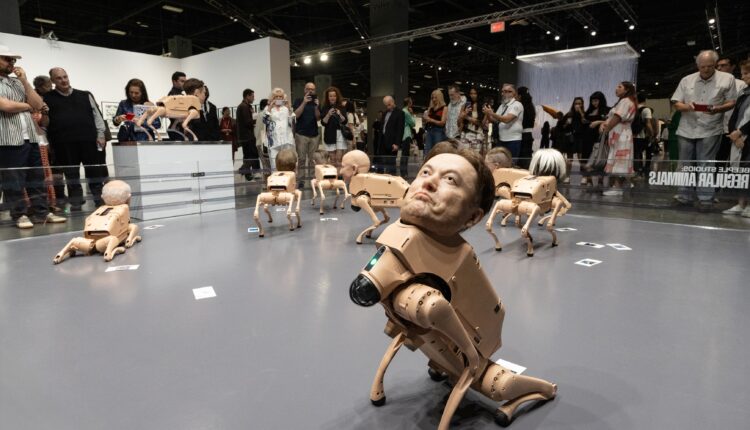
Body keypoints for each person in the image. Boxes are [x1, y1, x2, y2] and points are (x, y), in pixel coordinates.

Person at [0, 45, 66, 228]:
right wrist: (27, 106)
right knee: (13, 181)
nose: (11, 63)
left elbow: (38, 104)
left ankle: (42, 212)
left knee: (37, 179)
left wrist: (25, 81)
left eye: (13, 60)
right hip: (8, 139)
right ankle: (19, 215)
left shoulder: (17, 82)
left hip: (31, 137)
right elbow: (5, 106)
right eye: (7, 59)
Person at [671, 50, 738, 210]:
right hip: (687, 128)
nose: (706, 69)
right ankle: (684, 196)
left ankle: (706, 199)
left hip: (711, 128)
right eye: (702, 67)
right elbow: (676, 102)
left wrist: (718, 108)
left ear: (715, 64)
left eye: (710, 66)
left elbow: (732, 102)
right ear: (697, 65)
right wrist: (686, 107)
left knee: (706, 165)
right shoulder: (687, 80)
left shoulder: (727, 79)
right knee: (685, 165)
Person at [43, 67, 109, 210]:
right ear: (53, 81)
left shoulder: (85, 95)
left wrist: (101, 134)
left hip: (88, 140)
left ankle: (100, 202)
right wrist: (46, 141)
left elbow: (97, 116)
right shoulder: (47, 98)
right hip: (63, 143)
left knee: (94, 173)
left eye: (65, 76)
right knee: (71, 176)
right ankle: (76, 204)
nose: (63, 80)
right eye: (59, 78)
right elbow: (44, 122)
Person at [722, 59, 750, 217]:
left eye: (746, 73)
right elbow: (734, 116)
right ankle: (741, 203)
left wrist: (740, 132)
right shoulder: (743, 93)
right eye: (743, 73)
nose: (743, 76)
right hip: (738, 138)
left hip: (746, 136)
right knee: (739, 172)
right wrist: (734, 133)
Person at [599, 81, 637, 196]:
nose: (616, 89)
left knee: (620, 159)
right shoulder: (623, 101)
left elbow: (617, 117)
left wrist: (607, 129)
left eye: (620, 87)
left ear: (626, 90)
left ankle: (617, 187)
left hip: (621, 134)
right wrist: (604, 124)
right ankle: (619, 185)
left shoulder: (625, 101)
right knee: (618, 158)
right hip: (619, 134)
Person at [716, 56, 748, 163]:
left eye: (723, 65)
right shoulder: (713, 84)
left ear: (733, 67)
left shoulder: (741, 85)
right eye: (718, 66)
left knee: (737, 161)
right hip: (718, 129)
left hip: (737, 130)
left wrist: (739, 131)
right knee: (718, 160)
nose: (719, 68)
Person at [484, 84, 524, 160]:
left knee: (511, 163)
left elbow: (507, 119)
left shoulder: (517, 105)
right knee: (499, 161)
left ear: (513, 93)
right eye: (503, 92)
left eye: (506, 91)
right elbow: (494, 120)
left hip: (513, 140)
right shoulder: (502, 105)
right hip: (501, 139)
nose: (503, 94)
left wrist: (492, 113)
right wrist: (488, 114)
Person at [262, 88, 296, 170]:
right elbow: (265, 121)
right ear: (272, 98)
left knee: (288, 163)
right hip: (273, 140)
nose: (278, 98)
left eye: (280, 96)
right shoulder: (267, 108)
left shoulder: (286, 108)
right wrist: (270, 107)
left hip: (286, 139)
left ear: (283, 98)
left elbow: (292, 122)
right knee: (274, 165)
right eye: (276, 96)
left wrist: (289, 108)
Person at [293, 82, 321, 179]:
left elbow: (318, 118)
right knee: (301, 158)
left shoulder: (316, 102)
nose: (310, 91)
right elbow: (296, 115)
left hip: (314, 134)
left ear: (315, 91)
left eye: (312, 89)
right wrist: (304, 102)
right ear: (304, 90)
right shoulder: (298, 100)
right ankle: (301, 179)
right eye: (308, 89)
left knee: (313, 159)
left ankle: (313, 178)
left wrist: (317, 107)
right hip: (301, 134)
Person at [582, 91, 610, 186]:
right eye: (592, 101)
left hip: (600, 138)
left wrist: (598, 122)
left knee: (599, 158)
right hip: (587, 138)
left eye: (596, 100)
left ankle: (601, 179)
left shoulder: (607, 110)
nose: (594, 103)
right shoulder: (588, 111)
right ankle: (589, 178)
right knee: (588, 158)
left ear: (601, 100)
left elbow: (610, 121)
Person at [320, 86, 348, 167]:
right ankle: (332, 174)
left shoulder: (342, 107)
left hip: (340, 134)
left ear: (337, 97)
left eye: (334, 96)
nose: (332, 98)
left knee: (339, 159)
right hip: (329, 134)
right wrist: (328, 114)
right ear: (328, 97)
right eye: (330, 96)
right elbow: (323, 123)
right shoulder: (325, 107)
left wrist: (340, 114)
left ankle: (339, 174)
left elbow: (345, 121)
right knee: (332, 159)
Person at [560, 97, 586, 183]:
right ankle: (567, 176)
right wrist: (567, 123)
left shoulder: (584, 113)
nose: (577, 105)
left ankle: (584, 176)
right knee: (569, 159)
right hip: (571, 138)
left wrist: (581, 112)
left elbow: (586, 123)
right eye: (576, 103)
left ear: (582, 104)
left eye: (579, 103)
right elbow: (562, 127)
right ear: (573, 104)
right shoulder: (569, 114)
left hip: (581, 138)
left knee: (581, 158)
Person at [377, 95, 405, 175]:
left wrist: (397, 144)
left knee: (391, 165)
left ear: (393, 102)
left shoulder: (400, 113)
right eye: (386, 105)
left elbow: (400, 130)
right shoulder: (385, 113)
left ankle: (391, 180)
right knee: (381, 164)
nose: (387, 107)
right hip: (382, 141)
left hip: (392, 143)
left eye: (389, 105)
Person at [236, 88, 259, 178]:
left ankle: (247, 174)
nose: (254, 98)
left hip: (245, 136)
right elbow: (248, 122)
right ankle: (245, 170)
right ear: (247, 96)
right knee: (253, 155)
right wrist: (257, 120)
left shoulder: (245, 106)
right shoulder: (244, 107)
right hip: (247, 136)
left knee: (248, 155)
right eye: (252, 96)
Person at [632, 92, 656, 177]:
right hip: (642, 135)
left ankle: (637, 171)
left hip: (633, 135)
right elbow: (648, 124)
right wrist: (652, 134)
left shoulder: (633, 109)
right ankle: (644, 169)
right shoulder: (646, 110)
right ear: (645, 100)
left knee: (636, 154)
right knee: (646, 152)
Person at [458, 87, 487, 155]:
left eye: (475, 93)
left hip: (477, 133)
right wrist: (463, 114)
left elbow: (482, 123)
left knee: (475, 156)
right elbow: (458, 122)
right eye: (471, 93)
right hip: (465, 133)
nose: (473, 95)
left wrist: (467, 117)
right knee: (464, 155)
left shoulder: (483, 106)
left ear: (478, 94)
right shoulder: (465, 105)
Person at [422, 89, 447, 154]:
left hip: (439, 132)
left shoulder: (444, 108)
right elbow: (425, 120)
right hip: (429, 131)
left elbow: (443, 123)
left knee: (437, 152)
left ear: (440, 98)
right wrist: (424, 119)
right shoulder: (430, 108)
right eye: (432, 98)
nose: (434, 99)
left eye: (435, 97)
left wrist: (431, 120)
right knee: (427, 152)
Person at [517, 86, 536, 168]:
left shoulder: (520, 107)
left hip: (522, 135)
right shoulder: (531, 106)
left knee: (521, 158)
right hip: (529, 135)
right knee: (527, 157)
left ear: (520, 96)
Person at [400, 97, 416, 177]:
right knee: (405, 155)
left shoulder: (402, 111)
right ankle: (404, 173)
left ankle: (403, 172)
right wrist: (412, 114)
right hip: (406, 134)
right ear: (409, 103)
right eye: (411, 102)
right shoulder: (407, 112)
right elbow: (413, 124)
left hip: (402, 134)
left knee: (404, 154)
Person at [254, 98, 271, 173]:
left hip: (260, 142)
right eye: (269, 104)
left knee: (266, 167)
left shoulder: (260, 115)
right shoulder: (264, 115)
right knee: (268, 167)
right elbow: (262, 131)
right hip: (263, 142)